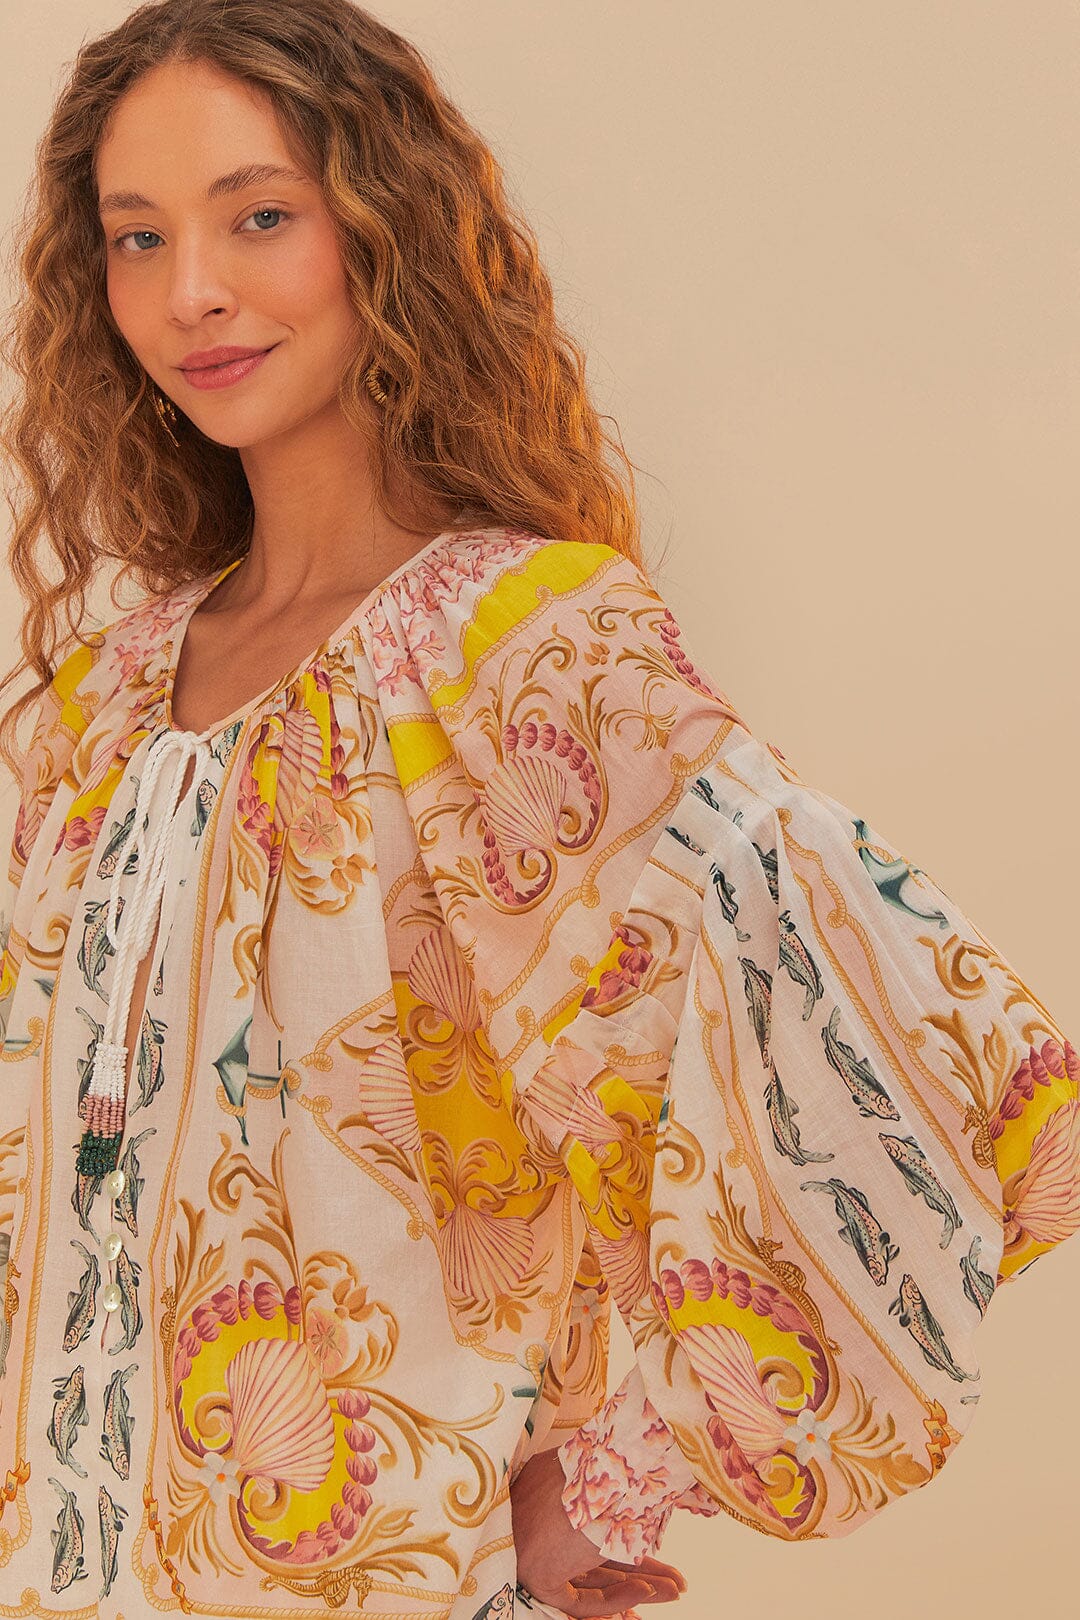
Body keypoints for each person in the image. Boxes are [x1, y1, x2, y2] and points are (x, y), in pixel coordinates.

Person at [0, 3, 1076, 1618]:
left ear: (384, 230)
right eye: (136, 237)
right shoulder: (101, 702)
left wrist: (621, 1463)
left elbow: (938, 1075)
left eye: (260, 216)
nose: (190, 291)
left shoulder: (519, 652)